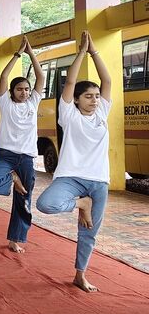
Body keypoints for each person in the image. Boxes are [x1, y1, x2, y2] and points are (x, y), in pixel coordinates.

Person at [36, 31, 111, 293]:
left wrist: (95, 52)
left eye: (96, 96)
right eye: (88, 96)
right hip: (70, 177)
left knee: (89, 232)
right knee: (45, 204)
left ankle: (80, 274)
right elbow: (68, 83)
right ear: (77, 99)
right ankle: (81, 203)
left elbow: (108, 79)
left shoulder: (102, 112)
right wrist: (81, 52)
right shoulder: (68, 115)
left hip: (99, 180)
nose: (94, 100)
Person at [0, 36, 45, 254]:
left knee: (24, 199)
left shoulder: (33, 102)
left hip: (26, 158)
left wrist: (31, 53)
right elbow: (4, 75)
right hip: (6, 156)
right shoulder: (5, 103)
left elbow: (41, 76)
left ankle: (16, 239)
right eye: (20, 89)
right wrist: (17, 54)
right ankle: (12, 179)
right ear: (12, 92)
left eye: (26, 89)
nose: (24, 92)